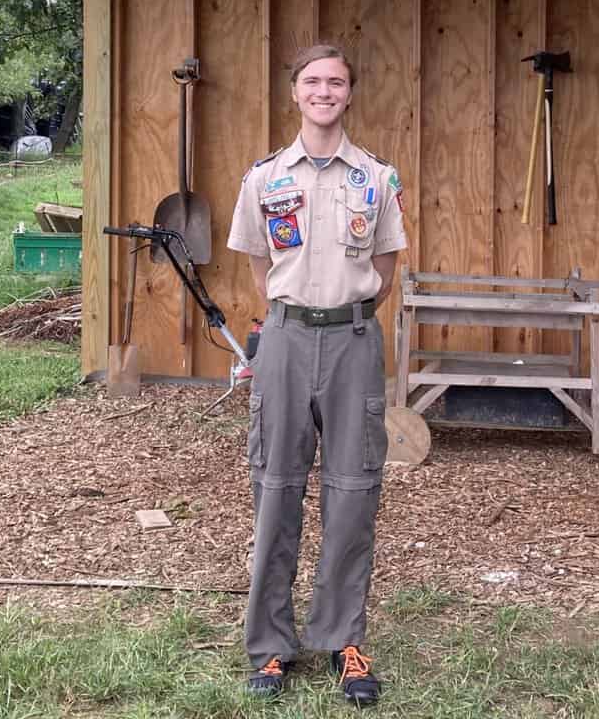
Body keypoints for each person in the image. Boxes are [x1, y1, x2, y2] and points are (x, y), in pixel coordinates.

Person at [227, 43, 408, 707]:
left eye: (336, 81)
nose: (324, 91)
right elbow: (256, 267)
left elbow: (385, 269)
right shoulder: (265, 178)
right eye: (312, 81)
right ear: (294, 93)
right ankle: (271, 647)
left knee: (353, 490)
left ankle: (342, 640)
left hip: (354, 341)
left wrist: (346, 312)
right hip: (284, 339)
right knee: (275, 487)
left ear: (349, 93)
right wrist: (294, 314)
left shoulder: (377, 179)